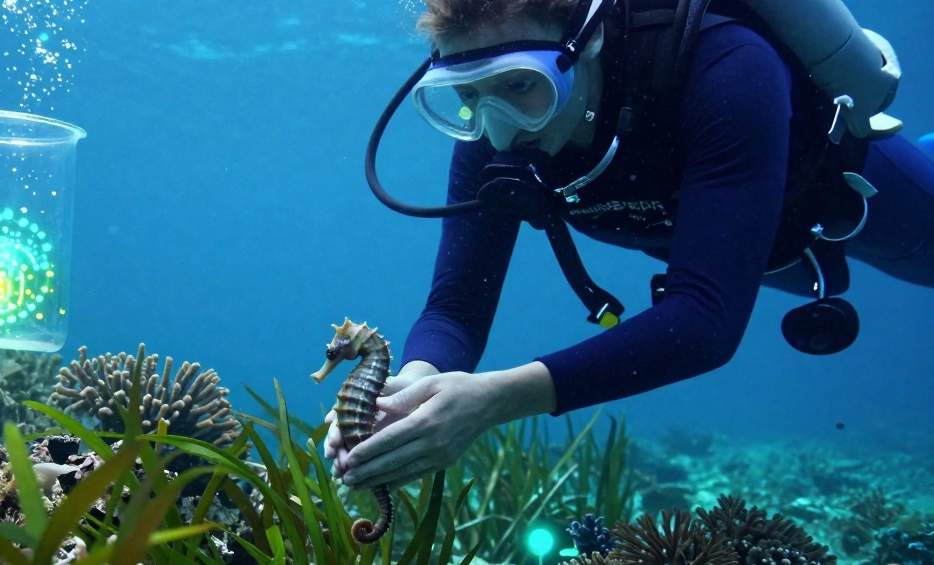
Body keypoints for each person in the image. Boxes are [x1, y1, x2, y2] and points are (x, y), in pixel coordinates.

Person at [326, 0, 934, 491]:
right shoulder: (495, 121)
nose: (500, 129)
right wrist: (405, 389)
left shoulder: (723, 63)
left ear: (585, 44)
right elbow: (455, 307)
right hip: (746, 251)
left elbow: (703, 321)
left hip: (854, 198)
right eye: (465, 96)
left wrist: (490, 401)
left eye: (522, 86)